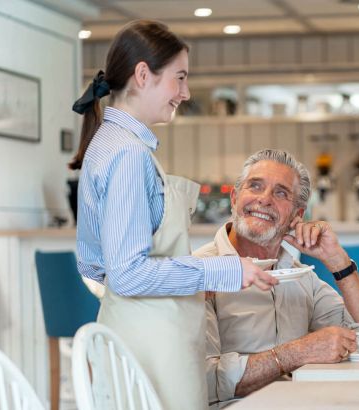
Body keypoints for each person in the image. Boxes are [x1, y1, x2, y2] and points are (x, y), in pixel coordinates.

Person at [70, 20, 276, 410]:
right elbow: (128, 273)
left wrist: (185, 283)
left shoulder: (107, 143)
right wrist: (222, 271)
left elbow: (97, 265)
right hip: (153, 347)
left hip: (131, 333)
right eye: (179, 78)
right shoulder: (129, 154)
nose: (185, 92)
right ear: (143, 75)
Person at [195, 149, 359, 406]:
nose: (264, 199)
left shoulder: (299, 276)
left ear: (298, 216)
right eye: (255, 186)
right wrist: (296, 353)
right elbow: (201, 382)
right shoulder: (199, 272)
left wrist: (337, 260)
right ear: (234, 198)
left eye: (281, 193)